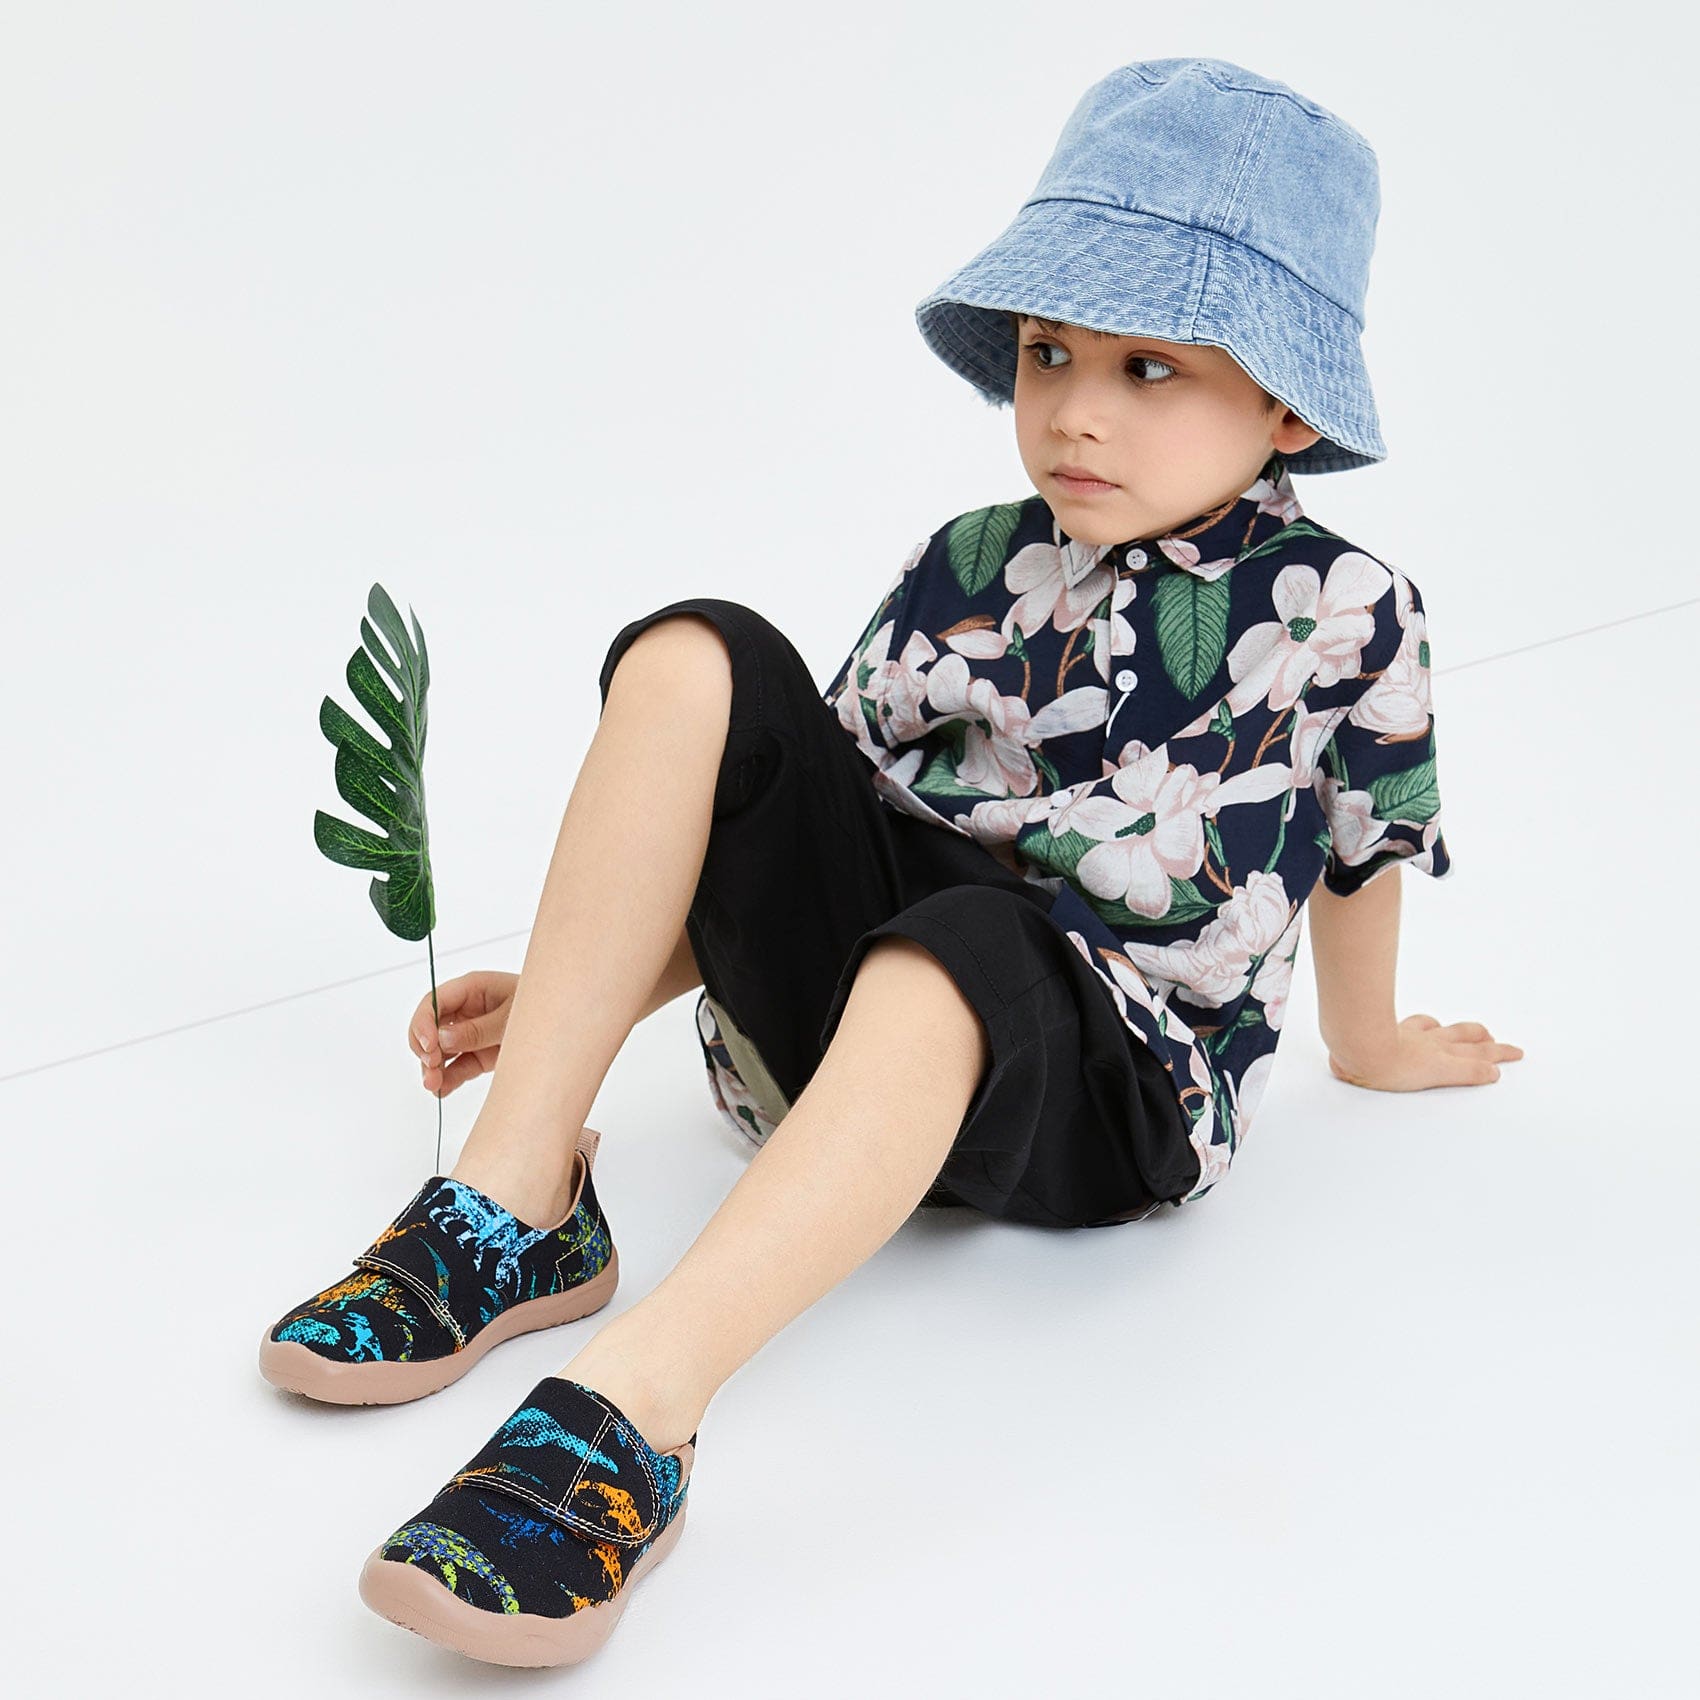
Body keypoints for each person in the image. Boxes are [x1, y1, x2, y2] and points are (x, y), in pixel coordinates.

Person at [259, 56, 1523, 1668]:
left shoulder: (1348, 612)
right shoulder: (970, 562)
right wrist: (595, 987)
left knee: (960, 949)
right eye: (1050, 352)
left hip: (1103, 1087)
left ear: (1287, 405)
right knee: (696, 654)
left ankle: (638, 1405)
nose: (1072, 408)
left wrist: (1371, 1040)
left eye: (1148, 367)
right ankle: (519, 1196)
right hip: (852, 1026)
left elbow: (1361, 841)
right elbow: (803, 828)